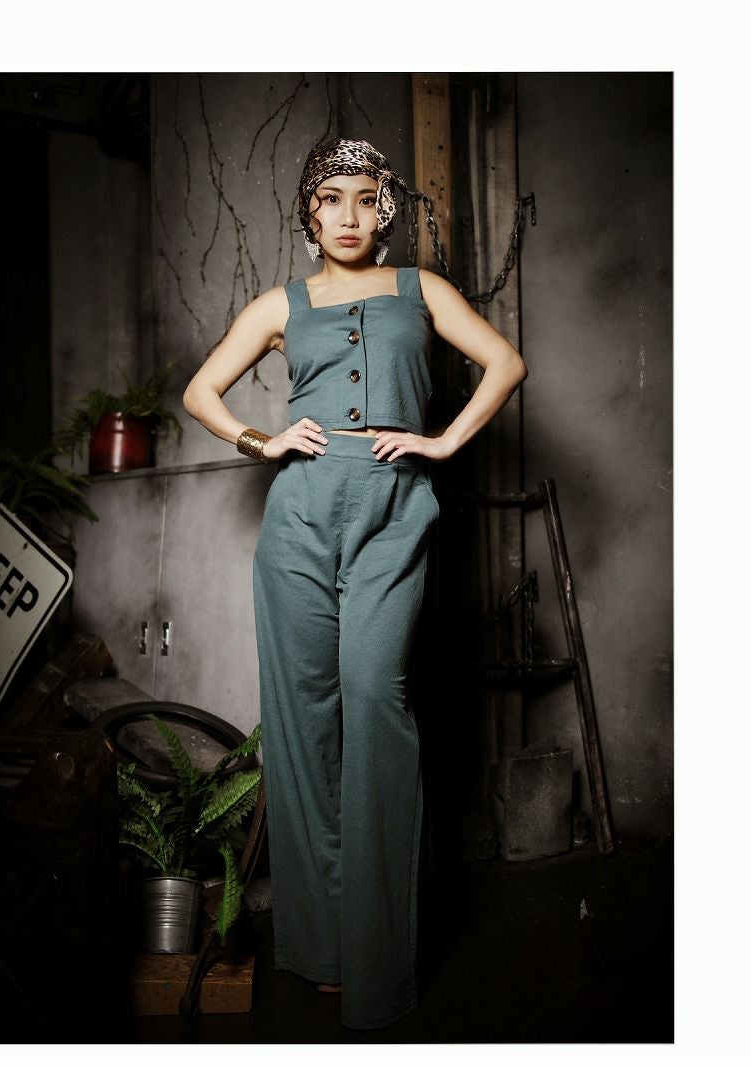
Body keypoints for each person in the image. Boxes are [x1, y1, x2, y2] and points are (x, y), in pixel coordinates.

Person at [183, 137, 527, 1029]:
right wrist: (261, 440)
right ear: (310, 211)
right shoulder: (282, 304)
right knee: (305, 729)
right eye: (329, 197)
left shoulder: (422, 289)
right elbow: (201, 391)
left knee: (376, 697)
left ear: (386, 211)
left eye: (365, 198)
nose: (347, 214)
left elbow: (505, 363)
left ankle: (378, 963)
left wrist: (442, 442)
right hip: (298, 518)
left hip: (394, 509)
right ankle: (325, 949)